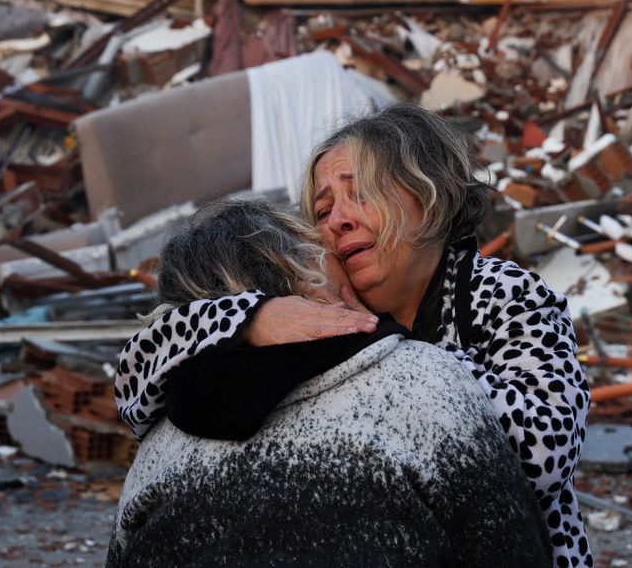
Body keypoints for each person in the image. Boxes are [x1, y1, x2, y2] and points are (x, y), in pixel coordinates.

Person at [116, 104, 592, 568]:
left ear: (430, 196)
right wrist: (250, 316)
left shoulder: (501, 292)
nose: (338, 221)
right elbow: (137, 384)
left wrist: (399, 356)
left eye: (360, 193)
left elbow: (546, 453)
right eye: (322, 211)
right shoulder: (318, 312)